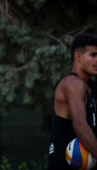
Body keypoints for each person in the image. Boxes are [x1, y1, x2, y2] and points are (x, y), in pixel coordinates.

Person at [48, 32, 97, 169]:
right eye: (93, 55)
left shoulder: (87, 88)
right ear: (78, 57)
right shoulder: (73, 84)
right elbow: (80, 126)